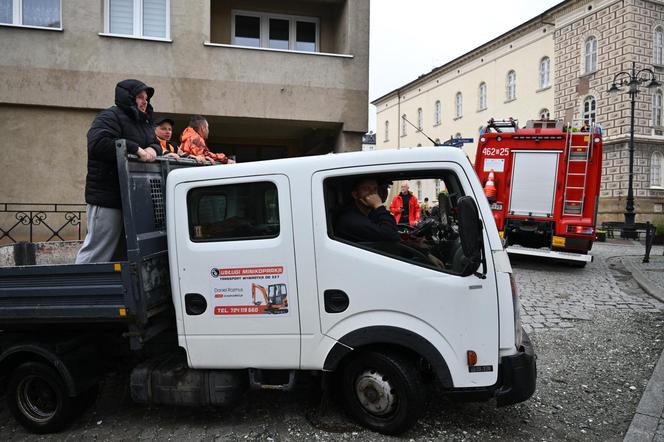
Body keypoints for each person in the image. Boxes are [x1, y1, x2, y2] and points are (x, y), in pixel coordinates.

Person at [76, 79, 161, 264]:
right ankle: (79, 288)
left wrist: (153, 149)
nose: (144, 101)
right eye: (140, 97)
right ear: (128, 97)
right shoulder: (109, 116)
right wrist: (135, 149)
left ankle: (110, 291)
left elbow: (154, 142)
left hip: (131, 200)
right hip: (107, 198)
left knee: (121, 254)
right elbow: (98, 144)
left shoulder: (143, 122)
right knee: (97, 252)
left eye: (146, 98)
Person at [335, 178, 400, 243]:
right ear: (355, 195)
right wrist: (379, 205)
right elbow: (391, 236)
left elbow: (392, 229)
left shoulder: (370, 213)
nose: (372, 194)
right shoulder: (350, 219)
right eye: (366, 189)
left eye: (375, 189)